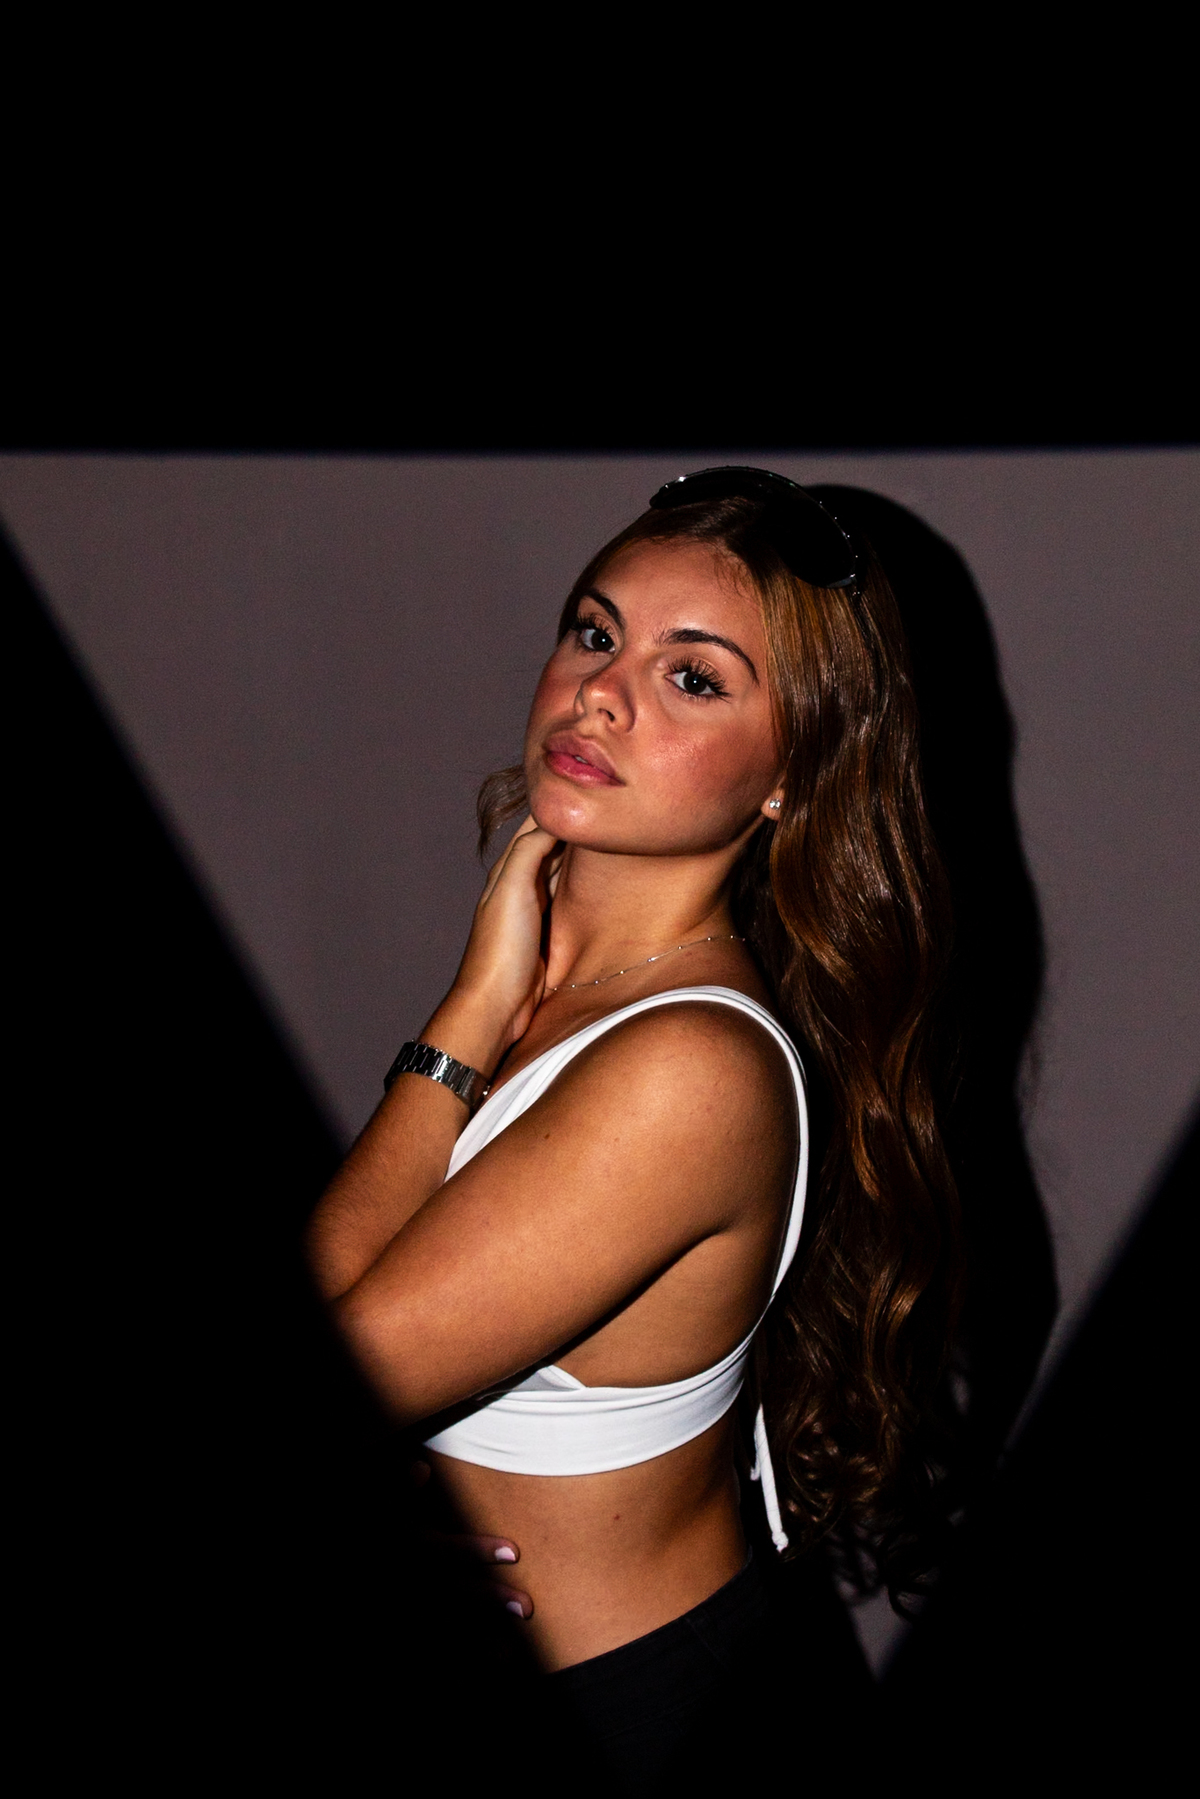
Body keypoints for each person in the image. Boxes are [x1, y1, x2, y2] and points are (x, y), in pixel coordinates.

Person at [305, 468, 962, 1787]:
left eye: (694, 678)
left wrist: (466, 1016)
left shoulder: (690, 1067)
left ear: (792, 777)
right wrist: (482, 1003)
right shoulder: (562, 994)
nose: (601, 691)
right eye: (595, 632)